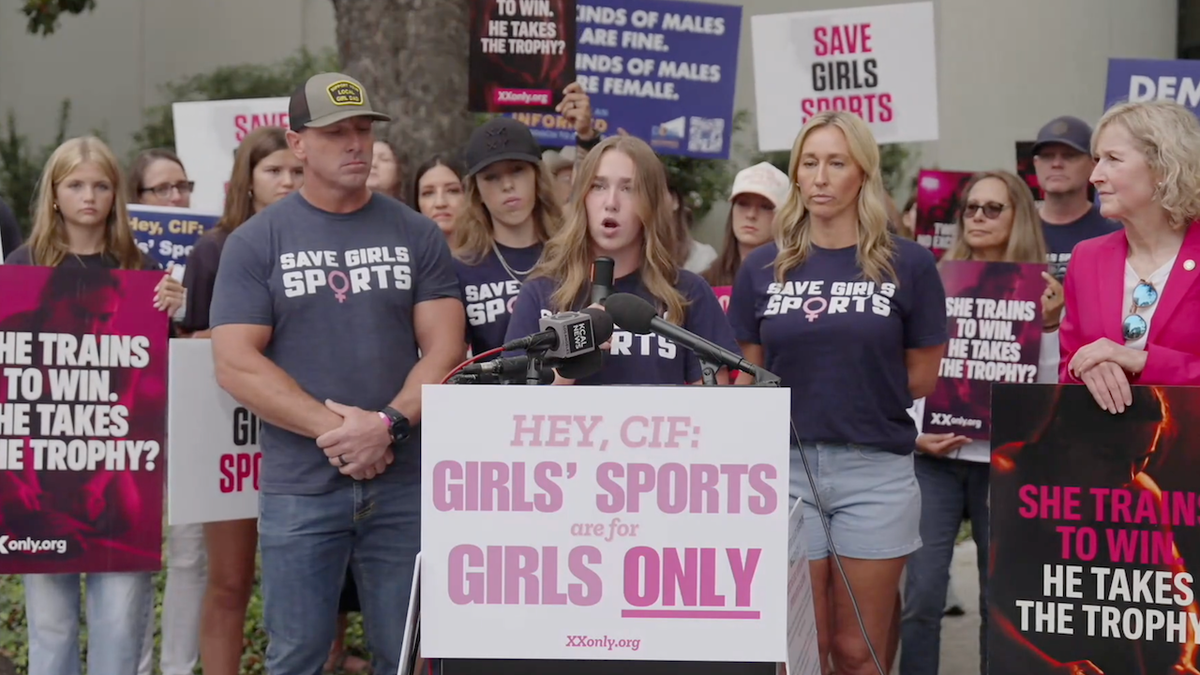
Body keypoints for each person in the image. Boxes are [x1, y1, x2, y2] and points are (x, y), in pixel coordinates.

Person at [208, 72, 464, 675]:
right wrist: (345, 433)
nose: (356, 144)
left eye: (363, 130)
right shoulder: (255, 243)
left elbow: (446, 351)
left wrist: (388, 425)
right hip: (300, 485)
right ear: (297, 144)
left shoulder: (417, 233)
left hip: (405, 483)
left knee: (405, 657)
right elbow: (236, 363)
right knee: (296, 655)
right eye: (336, 133)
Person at [727, 111, 947, 675]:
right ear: (796, 175)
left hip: (873, 472)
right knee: (802, 648)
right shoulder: (762, 268)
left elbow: (921, 377)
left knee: (857, 651)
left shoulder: (910, 265)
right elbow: (752, 377)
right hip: (784, 472)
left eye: (836, 163)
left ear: (862, 175)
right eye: (809, 162)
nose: (821, 177)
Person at [3, 135, 184, 675]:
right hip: (42, 469)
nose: (89, 196)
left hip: (120, 472)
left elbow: (157, 372)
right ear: (54, 194)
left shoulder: (138, 266)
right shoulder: (22, 265)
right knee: (50, 624)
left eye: (101, 185)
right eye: (76, 185)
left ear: (117, 194)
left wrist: (175, 309)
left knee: (121, 621)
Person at [901, 170, 1060, 675]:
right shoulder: (933, 279)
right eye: (971, 208)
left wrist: (1051, 326)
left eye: (993, 208)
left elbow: (1049, 386)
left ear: (1018, 217)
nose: (978, 217)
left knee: (1001, 599)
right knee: (922, 595)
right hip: (935, 460)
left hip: (1003, 464)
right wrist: (914, 433)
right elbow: (906, 365)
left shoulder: (1043, 289)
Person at [180, 126, 305, 675]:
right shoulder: (213, 250)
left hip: (303, 435)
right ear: (246, 182)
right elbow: (190, 346)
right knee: (230, 579)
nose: (286, 181)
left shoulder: (319, 240)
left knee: (301, 583)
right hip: (228, 437)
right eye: (273, 171)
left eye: (295, 171)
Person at [990, 386, 1199, 675]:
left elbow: (1178, 595)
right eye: (1109, 455)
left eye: (1141, 458)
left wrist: (1184, 659)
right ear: (1065, 433)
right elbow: (984, 602)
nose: (1127, 475)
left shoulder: (1140, 494)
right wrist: (1047, 669)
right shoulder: (1008, 478)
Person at [505, 134, 739, 386]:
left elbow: (715, 411)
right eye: (599, 186)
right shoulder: (541, 292)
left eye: (629, 188)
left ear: (651, 202)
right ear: (582, 197)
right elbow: (514, 410)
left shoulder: (688, 292)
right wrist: (571, 359)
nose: (611, 203)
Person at [1061, 99, 1200, 406]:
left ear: (1163, 166)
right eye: (1097, 159)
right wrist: (1086, 370)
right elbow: (1067, 364)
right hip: (1106, 447)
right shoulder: (1086, 257)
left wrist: (1142, 361)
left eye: (1113, 159)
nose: (1094, 176)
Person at [126, 145, 206, 675]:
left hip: (193, 412)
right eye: (163, 188)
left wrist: (187, 309)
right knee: (132, 552)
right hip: (130, 416)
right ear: (136, 201)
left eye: (184, 186)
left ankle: (178, 666)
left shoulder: (208, 252)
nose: (177, 197)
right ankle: (130, 664)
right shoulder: (118, 259)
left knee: (191, 551)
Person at [451, 116, 570, 355]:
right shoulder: (460, 268)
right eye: (491, 176)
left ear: (537, 176)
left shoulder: (571, 254)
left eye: (517, 170)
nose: (507, 185)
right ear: (477, 191)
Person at [1031, 116, 1120, 281]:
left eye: (1069, 156)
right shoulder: (1017, 228)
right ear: (1036, 163)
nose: (1056, 164)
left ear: (1093, 165)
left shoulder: (1116, 228)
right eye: (1047, 156)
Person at [702, 162, 791, 288]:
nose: (751, 215)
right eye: (743, 204)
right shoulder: (705, 282)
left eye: (766, 207)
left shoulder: (795, 283)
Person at [410, 154, 466, 240]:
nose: (440, 203)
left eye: (452, 191)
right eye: (428, 193)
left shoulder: (491, 251)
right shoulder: (405, 251)